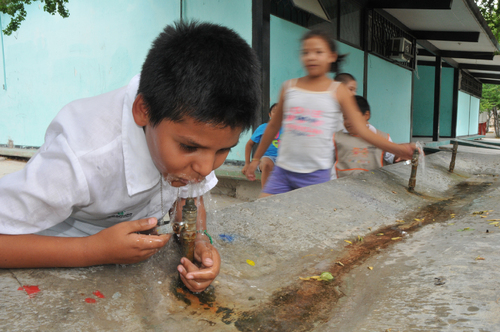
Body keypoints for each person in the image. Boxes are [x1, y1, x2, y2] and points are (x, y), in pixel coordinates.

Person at [0, 21, 261, 293]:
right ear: (143, 111)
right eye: (188, 147)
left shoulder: (189, 129)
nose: (206, 168)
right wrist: (92, 250)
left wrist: (199, 241)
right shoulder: (81, 156)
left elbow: (189, 200)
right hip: (49, 258)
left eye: (223, 151)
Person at [245, 28, 414, 196]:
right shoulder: (289, 87)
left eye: (319, 52)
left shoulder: (338, 91)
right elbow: (273, 126)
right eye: (306, 52)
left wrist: (398, 149)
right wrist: (255, 159)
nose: (311, 56)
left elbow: (363, 131)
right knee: (265, 213)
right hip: (283, 171)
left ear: (331, 56)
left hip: (315, 175)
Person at [333, 95, 396, 179]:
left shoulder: (382, 137)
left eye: (352, 117)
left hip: (373, 184)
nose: (348, 122)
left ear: (366, 115)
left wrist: (400, 157)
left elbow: (392, 157)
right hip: (342, 186)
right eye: (345, 118)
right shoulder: (336, 137)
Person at [242, 103, 282, 188]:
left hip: (283, 159)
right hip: (268, 157)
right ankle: (265, 195)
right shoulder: (263, 128)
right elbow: (249, 144)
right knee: (267, 164)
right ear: (270, 114)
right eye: (275, 112)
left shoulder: (288, 128)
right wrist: (247, 163)